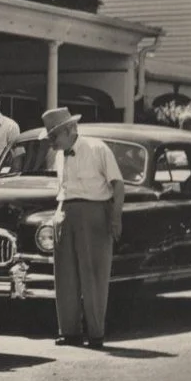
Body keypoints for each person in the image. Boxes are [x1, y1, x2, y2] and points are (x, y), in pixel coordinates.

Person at [43, 107, 124, 349]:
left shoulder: (97, 149)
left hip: (94, 212)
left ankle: (96, 333)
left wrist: (115, 218)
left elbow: (118, 185)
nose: (52, 142)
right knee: (65, 275)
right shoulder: (58, 155)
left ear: (70, 130)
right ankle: (69, 332)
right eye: (49, 137)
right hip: (64, 211)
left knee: (93, 274)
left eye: (54, 137)